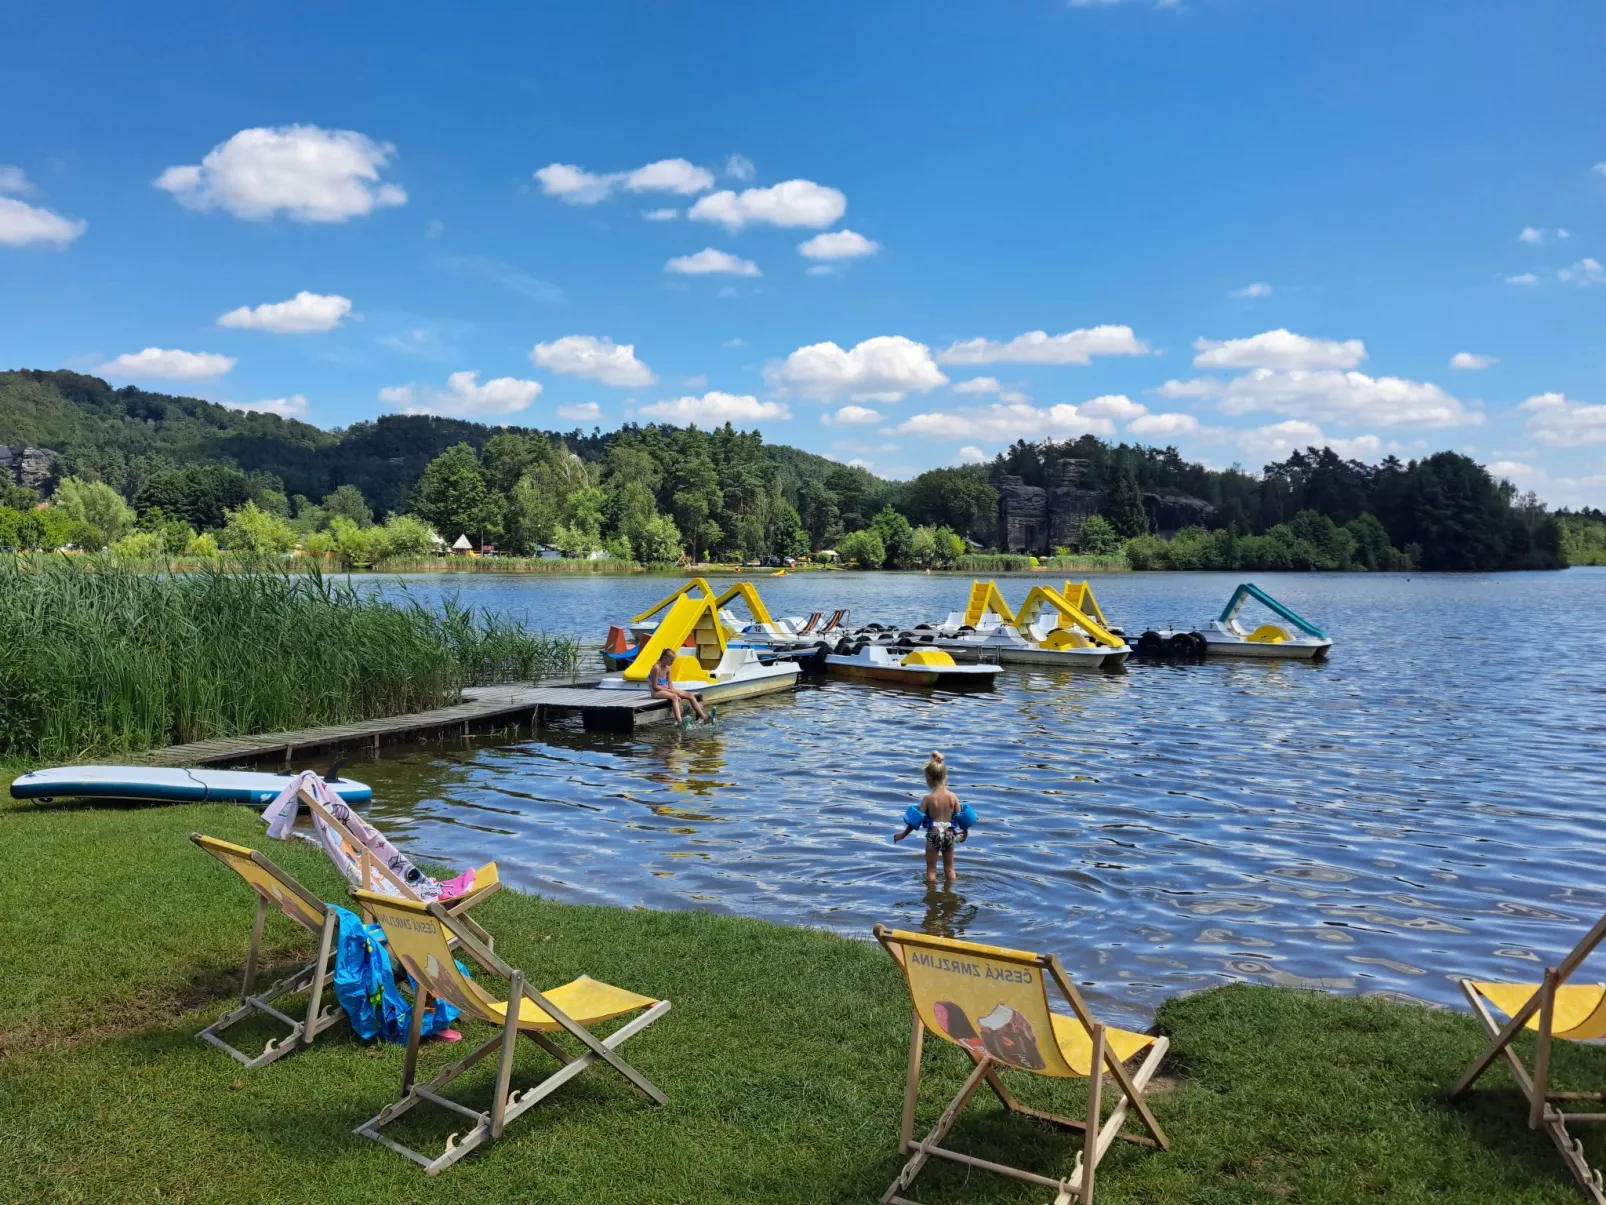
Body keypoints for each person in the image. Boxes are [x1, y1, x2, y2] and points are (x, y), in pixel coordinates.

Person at [894, 751, 966, 884]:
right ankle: (950, 893)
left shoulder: (928, 799)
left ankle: (931, 899)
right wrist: (965, 833)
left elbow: (915, 820)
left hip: (934, 834)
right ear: (945, 776)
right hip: (949, 833)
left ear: (928, 778)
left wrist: (903, 835)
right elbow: (961, 817)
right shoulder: (953, 797)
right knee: (950, 869)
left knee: (931, 871)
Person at [646, 647, 710, 724]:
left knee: (689, 695)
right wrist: (672, 692)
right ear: (664, 657)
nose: (672, 662)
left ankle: (704, 717)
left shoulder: (668, 668)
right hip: (656, 692)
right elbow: (655, 687)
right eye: (671, 660)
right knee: (674, 697)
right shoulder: (656, 668)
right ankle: (680, 722)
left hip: (665, 689)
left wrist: (673, 691)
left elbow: (670, 683)